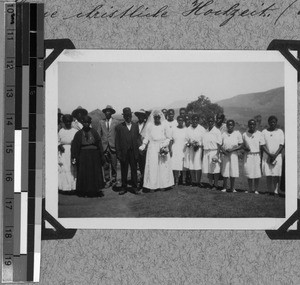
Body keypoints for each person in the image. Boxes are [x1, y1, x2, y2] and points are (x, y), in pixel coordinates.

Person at [71, 115, 106, 197]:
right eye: (84, 122)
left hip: (94, 156)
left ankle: (94, 191)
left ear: (90, 123)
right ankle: (84, 191)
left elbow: (99, 145)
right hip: (83, 156)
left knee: (94, 173)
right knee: (84, 173)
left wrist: (102, 156)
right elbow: (75, 146)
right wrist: (74, 157)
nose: (86, 124)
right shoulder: (78, 134)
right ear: (82, 123)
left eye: (88, 122)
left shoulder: (94, 132)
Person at [139, 109, 174, 191]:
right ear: (153, 117)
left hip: (162, 146)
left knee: (163, 166)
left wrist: (164, 145)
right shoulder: (149, 125)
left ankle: (165, 184)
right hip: (152, 148)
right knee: (152, 166)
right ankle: (152, 185)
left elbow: (169, 137)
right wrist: (143, 145)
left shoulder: (164, 125)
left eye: (158, 117)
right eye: (155, 117)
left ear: (161, 117)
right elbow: (147, 137)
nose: (157, 118)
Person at [115, 108, 140, 195]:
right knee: (124, 171)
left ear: (131, 116)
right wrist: (118, 153)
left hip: (133, 152)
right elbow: (117, 142)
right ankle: (124, 187)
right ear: (124, 116)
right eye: (126, 115)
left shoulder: (135, 126)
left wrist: (138, 151)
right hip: (124, 153)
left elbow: (137, 139)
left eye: (129, 115)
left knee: (134, 170)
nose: (128, 117)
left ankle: (135, 187)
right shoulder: (119, 127)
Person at [261, 116, 284, 195]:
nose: (272, 123)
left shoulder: (280, 132)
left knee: (276, 174)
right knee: (268, 174)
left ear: (276, 122)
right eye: (271, 122)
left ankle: (276, 190)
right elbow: (263, 145)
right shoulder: (264, 132)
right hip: (267, 156)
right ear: (268, 122)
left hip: (277, 156)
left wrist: (275, 154)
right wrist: (270, 154)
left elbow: (281, 145)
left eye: (274, 122)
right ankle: (270, 190)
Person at [98, 105, 118, 187]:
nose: (107, 113)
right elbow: (99, 134)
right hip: (104, 147)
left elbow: (117, 134)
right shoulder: (101, 122)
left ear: (111, 112)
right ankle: (107, 180)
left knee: (114, 164)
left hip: (113, 146)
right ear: (104, 113)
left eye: (109, 111)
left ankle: (114, 180)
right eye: (106, 111)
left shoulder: (116, 122)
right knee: (105, 165)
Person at [242, 119, 264, 194]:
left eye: (253, 124)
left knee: (257, 172)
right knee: (249, 172)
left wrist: (262, 157)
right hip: (248, 155)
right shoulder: (245, 134)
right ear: (248, 125)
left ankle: (256, 189)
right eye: (250, 124)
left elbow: (262, 146)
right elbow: (242, 145)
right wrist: (245, 148)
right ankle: (250, 189)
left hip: (257, 155)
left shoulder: (260, 134)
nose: (252, 126)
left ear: (255, 125)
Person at [220, 120, 243, 193]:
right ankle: (224, 187)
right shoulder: (223, 134)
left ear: (233, 126)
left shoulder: (237, 134)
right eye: (228, 125)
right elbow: (220, 145)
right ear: (226, 126)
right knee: (225, 170)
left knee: (233, 170)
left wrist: (233, 149)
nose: (230, 126)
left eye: (231, 125)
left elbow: (241, 145)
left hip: (233, 155)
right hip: (226, 154)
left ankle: (232, 188)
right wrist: (224, 151)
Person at [58, 114, 78, 192]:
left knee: (72, 168)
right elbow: (57, 140)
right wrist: (59, 146)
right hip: (63, 153)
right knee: (64, 168)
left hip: (72, 151)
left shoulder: (75, 131)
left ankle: (73, 186)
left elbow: (77, 142)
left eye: (69, 121)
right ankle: (65, 187)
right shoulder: (61, 131)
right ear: (64, 122)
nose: (68, 123)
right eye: (66, 122)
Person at [185, 114, 205, 187]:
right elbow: (186, 140)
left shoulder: (202, 129)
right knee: (192, 165)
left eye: (196, 120)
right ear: (191, 120)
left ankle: (198, 181)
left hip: (198, 149)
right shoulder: (188, 129)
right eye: (193, 120)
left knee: (198, 165)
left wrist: (198, 144)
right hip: (190, 149)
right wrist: (189, 144)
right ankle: (193, 181)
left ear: (198, 120)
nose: (195, 121)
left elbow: (204, 140)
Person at [202, 116, 222, 190]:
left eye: (211, 122)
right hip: (206, 151)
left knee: (215, 169)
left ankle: (215, 185)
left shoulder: (217, 131)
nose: (210, 123)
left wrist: (217, 154)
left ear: (214, 122)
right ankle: (210, 184)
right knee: (209, 169)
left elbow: (219, 143)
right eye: (209, 121)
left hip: (214, 151)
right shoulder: (205, 131)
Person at [170, 115, 187, 186]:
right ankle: (176, 180)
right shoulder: (173, 129)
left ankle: (183, 180)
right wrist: (170, 149)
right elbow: (171, 140)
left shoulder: (186, 129)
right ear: (177, 121)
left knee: (183, 165)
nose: (180, 122)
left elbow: (187, 140)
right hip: (175, 148)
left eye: (182, 120)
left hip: (183, 149)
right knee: (175, 165)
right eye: (179, 120)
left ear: (183, 121)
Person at [134, 109, 148, 188]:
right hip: (136, 148)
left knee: (144, 165)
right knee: (138, 166)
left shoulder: (147, 125)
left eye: (142, 116)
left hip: (145, 148)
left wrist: (144, 146)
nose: (140, 117)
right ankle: (139, 181)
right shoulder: (134, 125)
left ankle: (145, 181)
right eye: (139, 116)